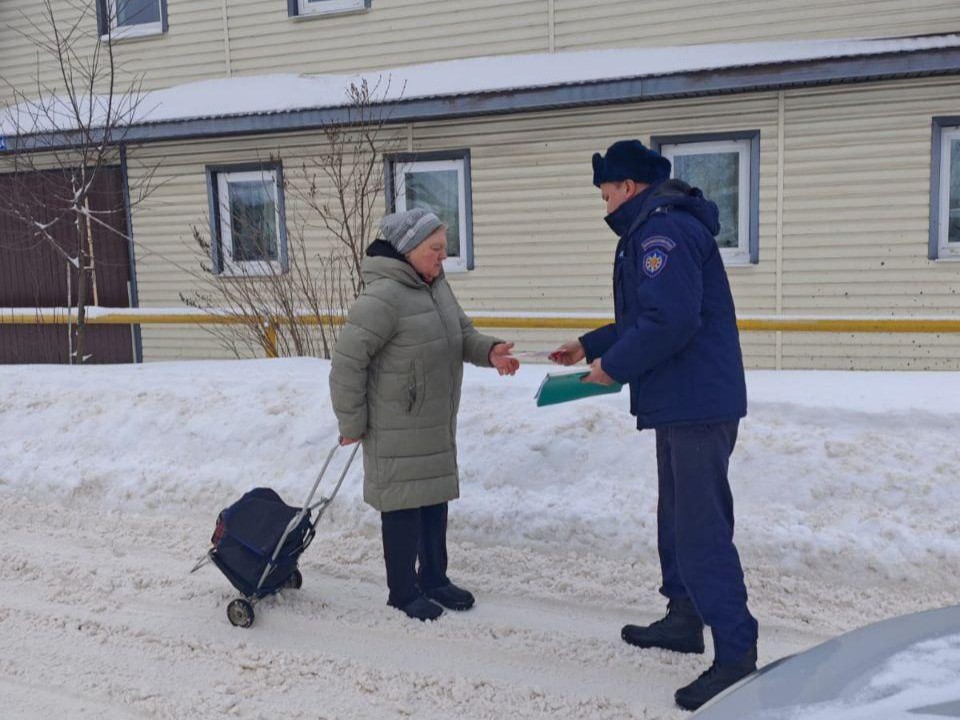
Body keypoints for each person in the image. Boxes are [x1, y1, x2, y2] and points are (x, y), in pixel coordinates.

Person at [551, 140, 759, 711]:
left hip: (695, 403)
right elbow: (646, 317)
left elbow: (669, 321)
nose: (603, 205)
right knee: (676, 518)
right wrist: (590, 345)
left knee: (699, 529)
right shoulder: (653, 227)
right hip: (683, 401)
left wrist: (611, 366)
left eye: (606, 192)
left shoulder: (662, 233)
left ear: (629, 186)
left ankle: (736, 654)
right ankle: (685, 618)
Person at [330, 208, 519, 622]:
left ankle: (434, 578)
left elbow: (461, 334)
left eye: (443, 248)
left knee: (434, 502)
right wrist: (351, 423)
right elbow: (347, 363)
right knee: (402, 509)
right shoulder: (383, 296)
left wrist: (490, 351)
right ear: (408, 249)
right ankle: (402, 591)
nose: (442, 256)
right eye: (435, 248)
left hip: (434, 418)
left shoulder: (435, 286)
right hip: (395, 423)